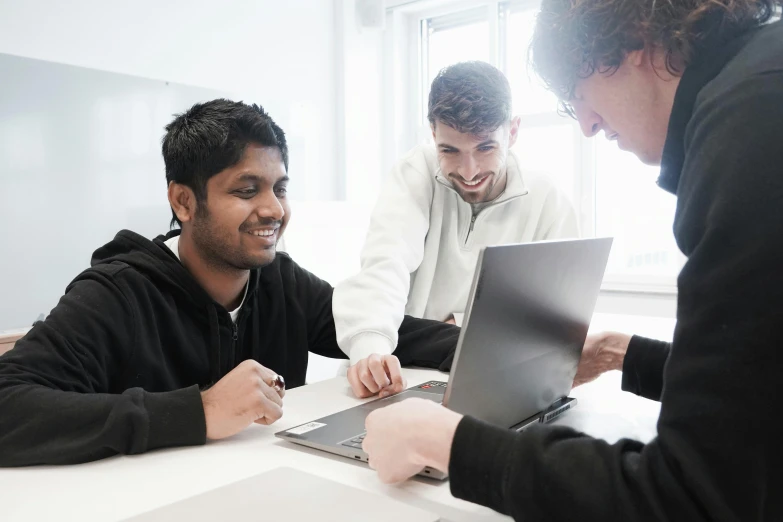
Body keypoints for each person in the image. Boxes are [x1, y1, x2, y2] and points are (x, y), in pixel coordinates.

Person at [362, 1, 783, 519]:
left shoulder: (748, 130)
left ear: (637, 44)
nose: (585, 124)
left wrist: (450, 444)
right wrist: (620, 352)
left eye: (579, 93)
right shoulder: (759, 85)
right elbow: (756, 386)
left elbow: (686, 498)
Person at [0, 99, 459, 467]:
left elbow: (387, 326)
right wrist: (198, 412)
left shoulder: (279, 280)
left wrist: (493, 343)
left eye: (279, 188)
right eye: (246, 190)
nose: (274, 210)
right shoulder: (117, 294)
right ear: (183, 201)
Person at [333, 61, 578, 399]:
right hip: (403, 373)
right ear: (433, 133)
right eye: (450, 150)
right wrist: (370, 349)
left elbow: (553, 318)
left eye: (485, 148)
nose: (469, 170)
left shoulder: (548, 200)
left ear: (513, 132)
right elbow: (383, 265)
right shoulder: (415, 172)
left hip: (498, 379)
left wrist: (459, 323)